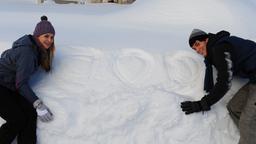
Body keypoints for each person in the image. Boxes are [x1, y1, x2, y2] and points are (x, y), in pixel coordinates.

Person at [180, 29, 256, 144]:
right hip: (254, 80)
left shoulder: (220, 48)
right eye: (194, 49)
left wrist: (202, 104)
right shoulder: (216, 50)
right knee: (234, 107)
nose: (197, 50)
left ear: (205, 39)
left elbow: (224, 82)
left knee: (247, 121)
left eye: (197, 44)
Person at [0, 15, 55, 144]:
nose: (50, 40)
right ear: (37, 36)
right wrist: (38, 103)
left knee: (30, 112)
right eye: (46, 36)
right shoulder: (28, 52)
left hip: (9, 87)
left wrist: (34, 105)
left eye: (52, 37)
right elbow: (21, 83)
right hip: (2, 86)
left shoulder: (35, 49)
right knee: (17, 119)